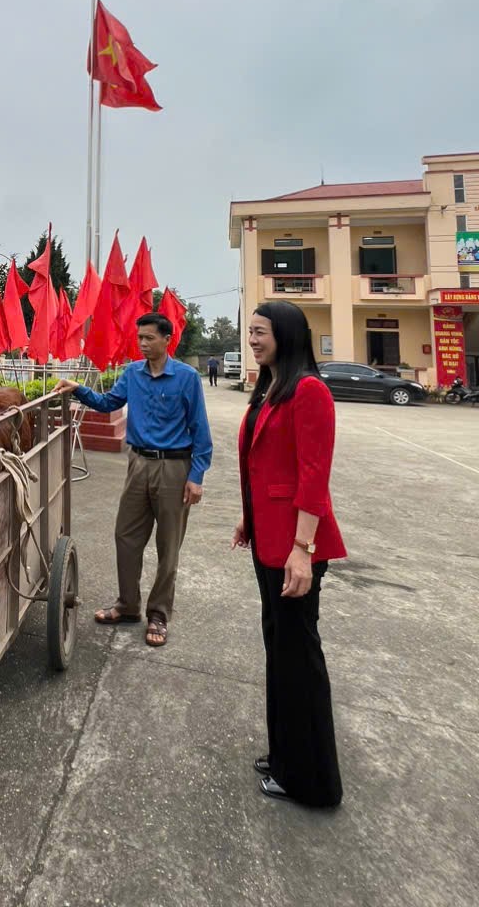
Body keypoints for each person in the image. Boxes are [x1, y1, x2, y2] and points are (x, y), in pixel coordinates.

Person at [231, 299, 347, 808]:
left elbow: (313, 476)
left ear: (287, 334)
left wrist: (303, 549)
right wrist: (250, 519)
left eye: (261, 332)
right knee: (280, 649)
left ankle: (311, 780)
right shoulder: (271, 388)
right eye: (251, 332)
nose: (253, 340)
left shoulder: (309, 391)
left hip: (295, 547)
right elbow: (263, 465)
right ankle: (285, 755)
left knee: (298, 655)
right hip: (269, 540)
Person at [54, 312, 212, 648]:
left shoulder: (186, 378)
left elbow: (200, 429)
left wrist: (196, 476)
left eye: (149, 338)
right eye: (140, 338)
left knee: (168, 545)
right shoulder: (132, 374)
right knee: (125, 536)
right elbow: (108, 402)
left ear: (167, 339)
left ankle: (159, 614)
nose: (142, 344)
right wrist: (79, 390)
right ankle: (127, 605)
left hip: (174, 468)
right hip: (138, 464)